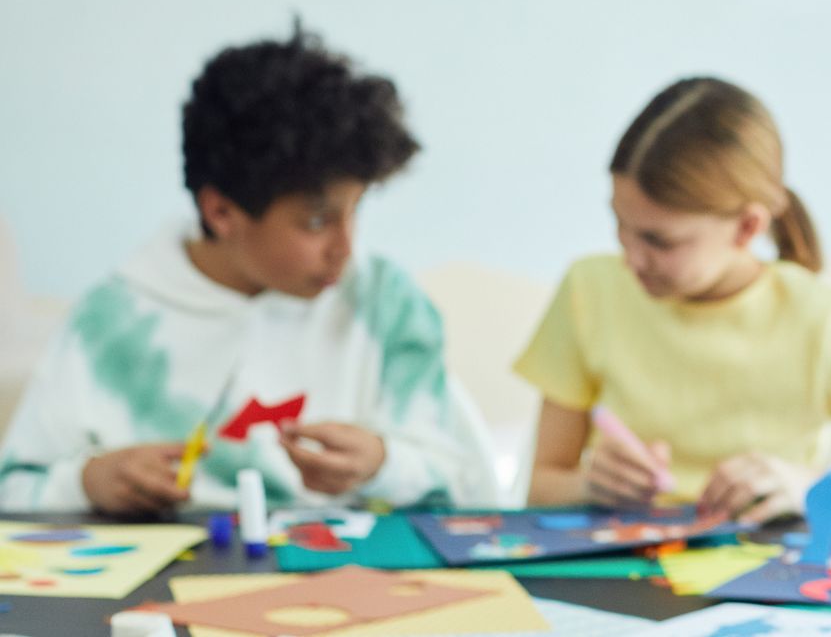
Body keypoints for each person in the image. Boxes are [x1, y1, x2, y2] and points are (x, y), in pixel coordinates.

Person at [0, 27, 497, 516]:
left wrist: (384, 465)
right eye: (317, 221)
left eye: (356, 210)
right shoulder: (110, 323)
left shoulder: (385, 304)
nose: (346, 248)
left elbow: (474, 487)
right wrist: (87, 481)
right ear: (221, 213)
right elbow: (14, 490)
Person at [517, 76, 831, 522]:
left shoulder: (818, 319)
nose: (631, 257)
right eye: (619, 225)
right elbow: (540, 486)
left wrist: (816, 483)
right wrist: (588, 484)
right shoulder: (589, 289)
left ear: (748, 226)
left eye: (658, 241)